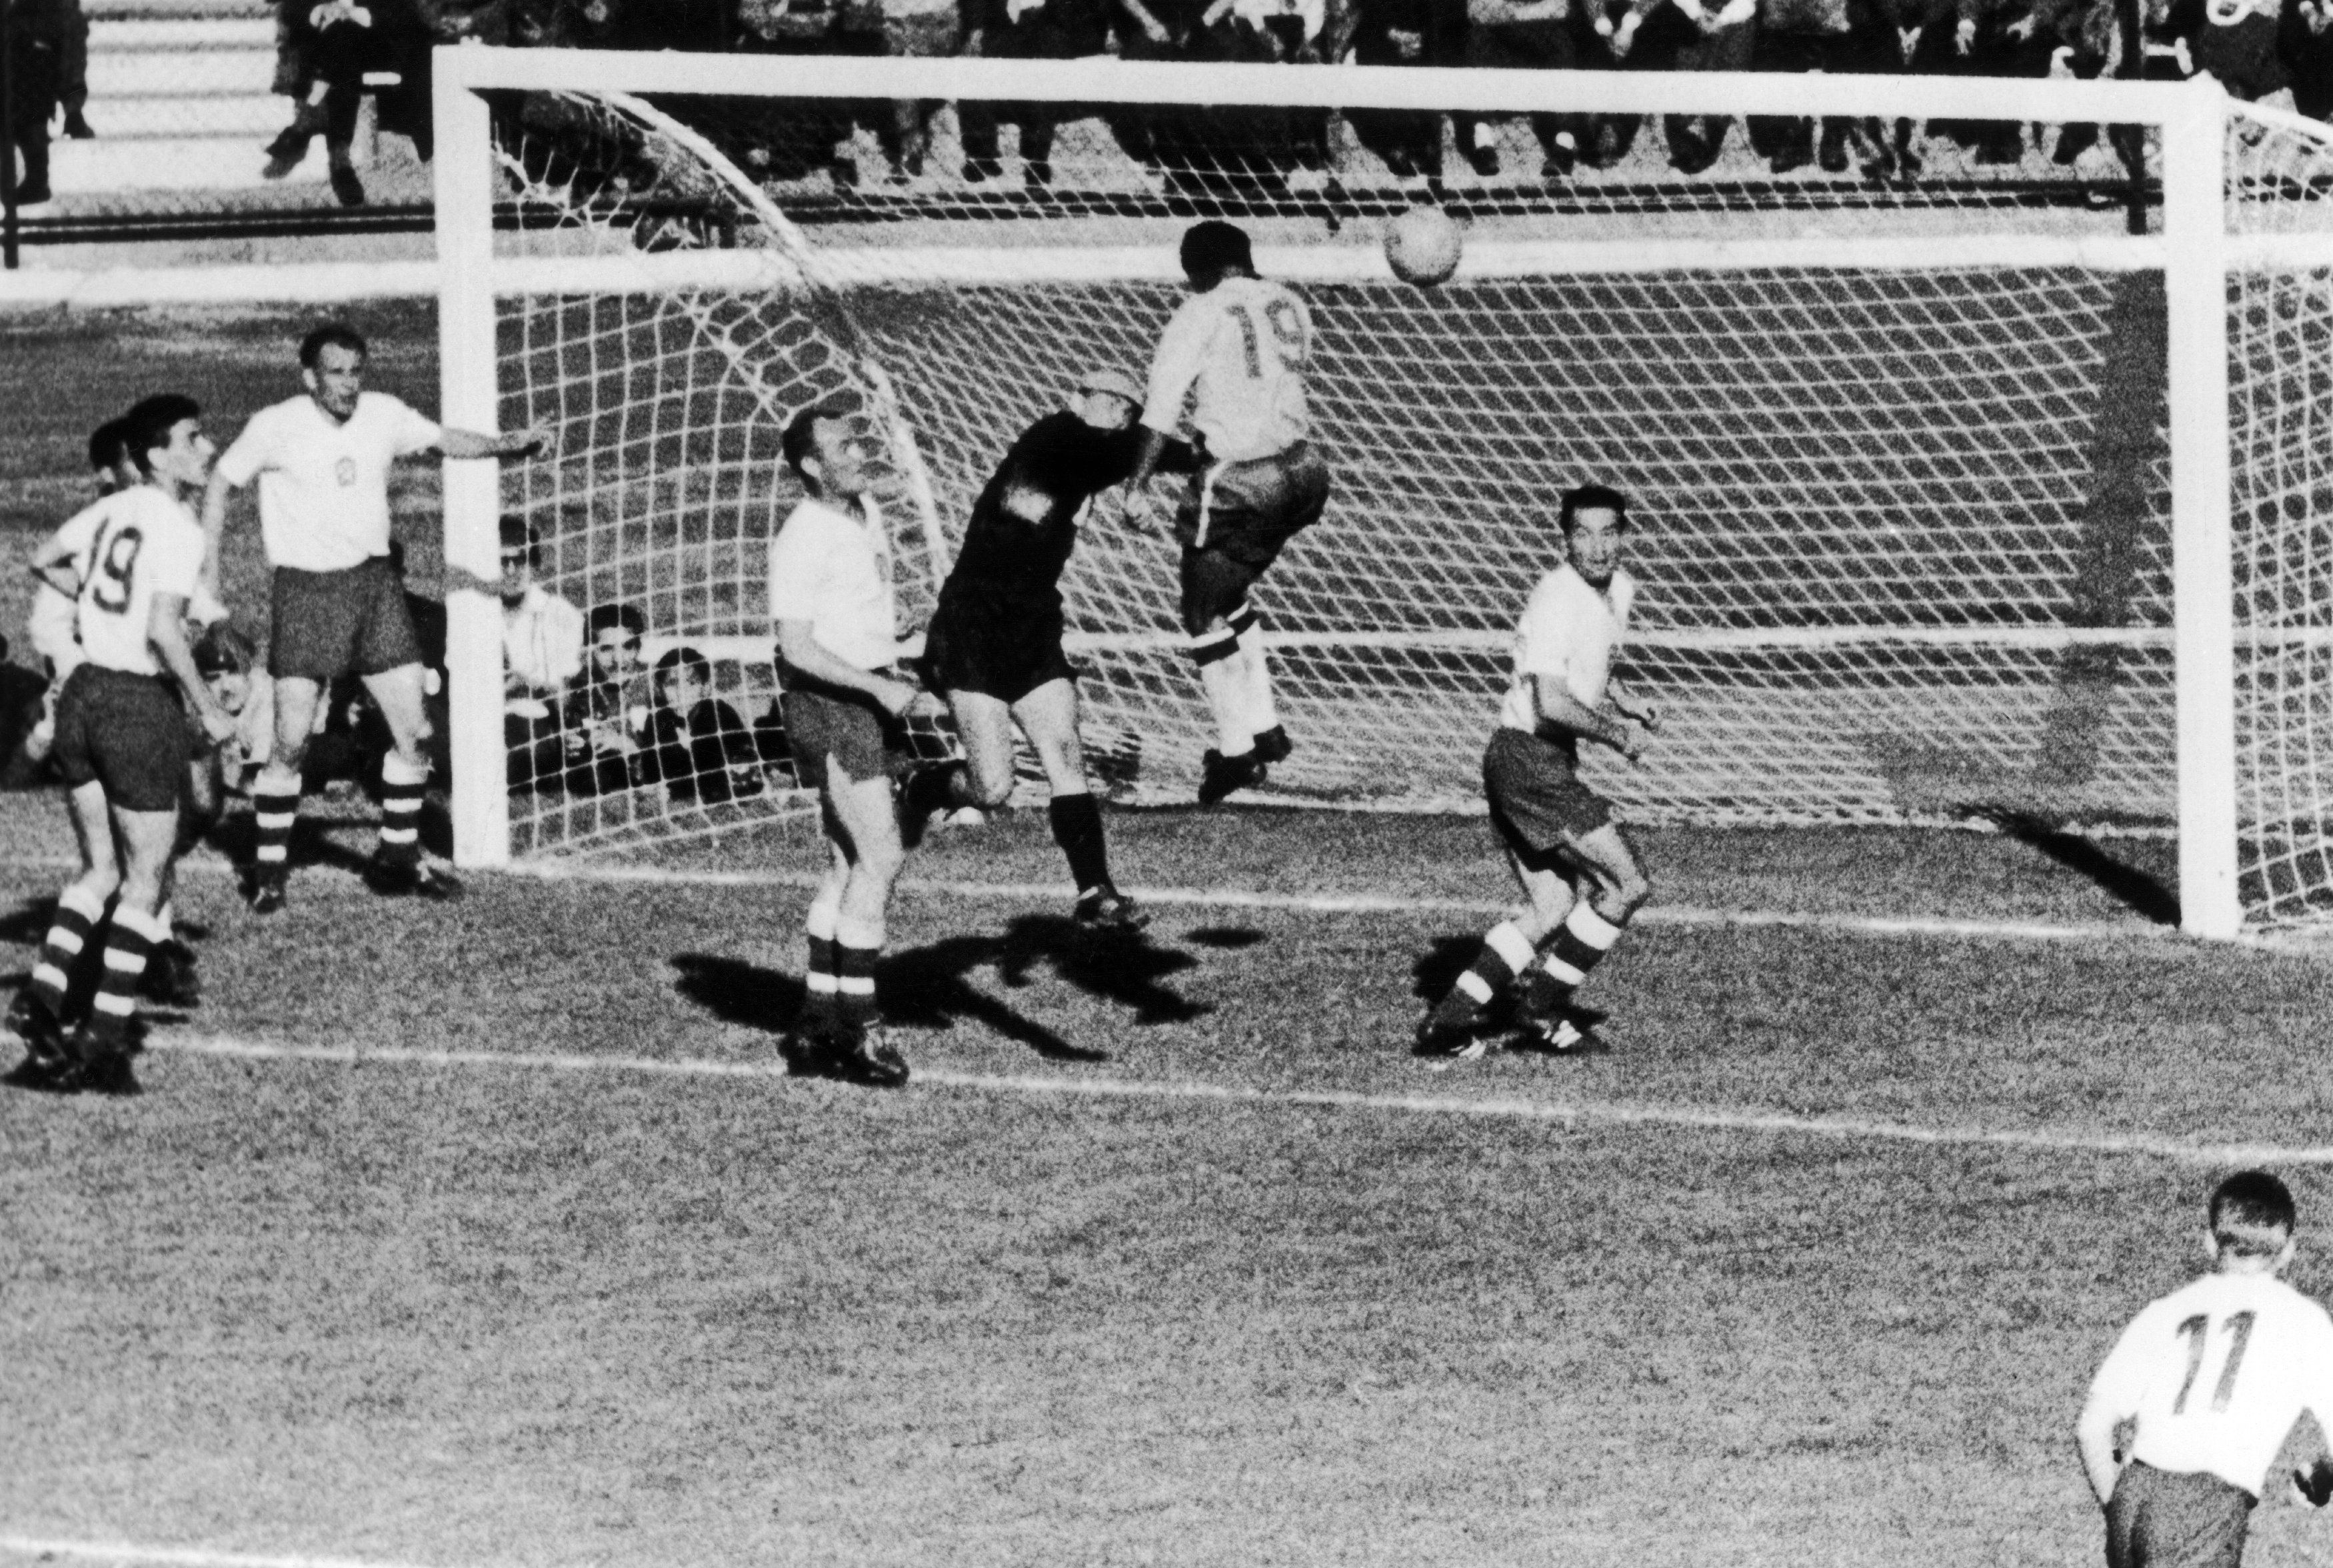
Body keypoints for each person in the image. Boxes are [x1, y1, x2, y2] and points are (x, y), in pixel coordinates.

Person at [201, 322, 546, 913]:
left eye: (356, 371)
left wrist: (506, 443)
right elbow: (220, 484)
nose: (348, 384)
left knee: (415, 733)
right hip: (307, 593)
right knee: (289, 742)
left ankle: (397, 857)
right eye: (336, 372)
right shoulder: (275, 425)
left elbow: (442, 440)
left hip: (375, 586)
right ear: (309, 376)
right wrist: (207, 587)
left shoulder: (383, 414)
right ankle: (269, 869)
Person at [899, 369, 1194, 929]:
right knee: (993, 788)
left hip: (1033, 622)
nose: (1118, 415)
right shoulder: (1054, 438)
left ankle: (1095, 891)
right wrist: (1165, 452)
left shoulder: (1099, 451)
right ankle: (919, 785)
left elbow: (1129, 451)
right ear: (1075, 399)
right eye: (1107, 402)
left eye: (1129, 409)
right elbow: (1122, 450)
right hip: (973, 623)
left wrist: (1205, 452)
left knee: (1064, 753)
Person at [5, 394, 241, 1096]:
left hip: (81, 694)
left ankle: (43, 999)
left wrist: (94, 607)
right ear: (157, 455)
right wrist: (208, 709)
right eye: (194, 438)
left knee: (98, 870)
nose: (207, 448)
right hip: (136, 703)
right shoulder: (177, 525)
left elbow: (44, 559)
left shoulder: (114, 507)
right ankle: (104, 1040)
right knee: (144, 880)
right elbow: (168, 633)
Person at [1416, 483, 1656, 1058]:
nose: (1597, 547)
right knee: (1627, 884)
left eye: (1608, 532)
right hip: (1527, 761)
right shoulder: (1555, 599)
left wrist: (1624, 700)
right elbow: (1551, 701)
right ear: (1565, 540)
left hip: (1528, 761)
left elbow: (1596, 661)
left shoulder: (1617, 589)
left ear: (1624, 535)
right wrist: (1619, 733)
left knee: (1551, 906)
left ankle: (1448, 1023)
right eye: (1582, 534)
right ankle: (1542, 1008)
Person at [1123, 221, 1332, 807]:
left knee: (1200, 610)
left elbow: (1160, 410)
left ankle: (1237, 752)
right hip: (1306, 470)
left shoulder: (1202, 310)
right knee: (1230, 586)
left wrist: (1136, 485)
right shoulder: (1290, 300)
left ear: (1198, 270)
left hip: (1241, 478)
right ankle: (1265, 726)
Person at [769, 404, 926, 1088]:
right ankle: (858, 1031)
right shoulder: (803, 536)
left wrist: (897, 639)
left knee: (843, 863)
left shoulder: (862, 509)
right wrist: (877, 687)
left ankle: (813, 1018)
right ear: (810, 464)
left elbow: (856, 608)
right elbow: (796, 646)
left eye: (856, 438)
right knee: (880, 856)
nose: (858, 451)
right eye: (842, 444)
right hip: (834, 706)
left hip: (866, 694)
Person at [2076, 1170, 2333, 1568]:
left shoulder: (2164, 1311)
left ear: (2211, 1242)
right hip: (2204, 1508)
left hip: (2134, 1495)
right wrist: (2320, 1478)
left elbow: (2092, 1427)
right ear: (2288, 1251)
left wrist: (2118, 1507)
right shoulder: (2306, 1322)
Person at [488, 515, 584, 793]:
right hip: (480, 715)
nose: (509, 570)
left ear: (535, 564)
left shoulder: (560, 614)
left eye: (519, 560)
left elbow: (561, 689)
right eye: (500, 561)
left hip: (534, 717)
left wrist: (520, 682)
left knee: (524, 733)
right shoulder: (470, 612)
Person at [641, 646, 764, 804]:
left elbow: (743, 757)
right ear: (660, 689)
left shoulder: (720, 712)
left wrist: (691, 747)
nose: (682, 692)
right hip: (680, 798)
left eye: (691, 683)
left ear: (705, 688)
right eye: (672, 683)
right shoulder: (658, 719)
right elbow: (651, 771)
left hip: (721, 793)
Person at [564, 601, 651, 795]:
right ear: (588, 650)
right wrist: (571, 744)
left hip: (650, 762)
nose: (618, 659)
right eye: (606, 649)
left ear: (638, 647)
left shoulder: (653, 682)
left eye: (627, 647)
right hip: (608, 766)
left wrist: (626, 744)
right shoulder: (581, 686)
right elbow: (574, 729)